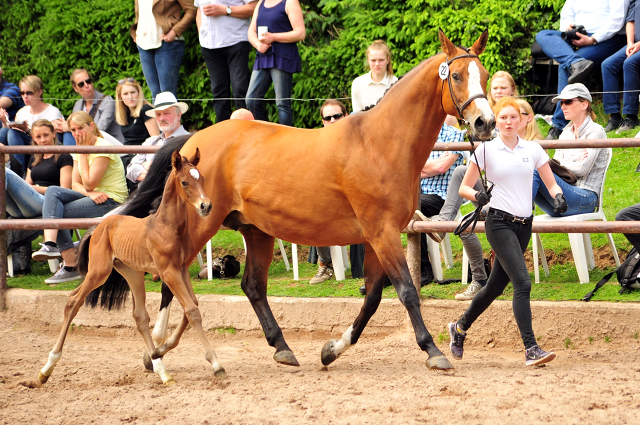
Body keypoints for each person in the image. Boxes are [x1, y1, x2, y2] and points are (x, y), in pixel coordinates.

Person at [448, 96, 566, 367]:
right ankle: (531, 348)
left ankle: (460, 327)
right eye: (503, 118)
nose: (509, 122)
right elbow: (464, 188)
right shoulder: (486, 151)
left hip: (524, 225)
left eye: (514, 117)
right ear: (496, 122)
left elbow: (551, 183)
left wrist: (558, 196)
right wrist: (478, 196)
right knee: (522, 283)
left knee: (494, 287)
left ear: (524, 120)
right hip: (499, 223)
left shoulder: (533, 149)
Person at [32, 112, 128, 284]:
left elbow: (89, 182)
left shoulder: (102, 146)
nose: (77, 134)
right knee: (53, 191)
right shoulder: (78, 148)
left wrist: (83, 154)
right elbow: (75, 184)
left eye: (80, 128)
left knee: (56, 211)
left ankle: (70, 264)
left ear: (91, 126)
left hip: (112, 199)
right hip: (93, 196)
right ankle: (50, 245)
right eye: (73, 130)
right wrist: (89, 193)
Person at [535, 0, 626, 140]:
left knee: (564, 66)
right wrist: (569, 28)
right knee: (543, 35)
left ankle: (559, 125)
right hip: (578, 35)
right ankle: (575, 61)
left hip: (607, 38)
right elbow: (567, 14)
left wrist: (592, 39)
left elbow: (617, 20)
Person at [532, 84, 611, 218]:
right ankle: (519, 212)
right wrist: (574, 160)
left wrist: (561, 163)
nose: (562, 107)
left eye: (568, 102)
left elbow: (582, 169)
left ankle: (518, 212)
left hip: (586, 198)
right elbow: (555, 165)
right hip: (561, 199)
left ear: (584, 104)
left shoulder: (595, 131)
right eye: (562, 103)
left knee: (538, 170)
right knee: (529, 170)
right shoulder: (565, 132)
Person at [245, 0, 305, 126]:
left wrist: (273, 37)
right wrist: (257, 44)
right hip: (263, 55)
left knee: (282, 103)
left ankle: (286, 139)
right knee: (251, 100)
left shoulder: (290, 2)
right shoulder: (261, 2)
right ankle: (264, 133)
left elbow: (300, 33)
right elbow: (251, 31)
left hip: (282, 56)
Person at [196, 0, 257, 122]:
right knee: (218, 92)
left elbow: (254, 6)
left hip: (236, 40)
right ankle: (223, 134)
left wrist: (225, 10)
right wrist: (201, 32)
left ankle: (245, 131)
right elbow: (199, 10)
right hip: (209, 44)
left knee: (240, 89)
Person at [310, 99, 349, 284]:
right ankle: (325, 264)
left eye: (337, 116)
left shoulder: (357, 140)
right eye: (328, 118)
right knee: (315, 210)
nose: (333, 120)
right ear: (323, 122)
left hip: (355, 198)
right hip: (329, 198)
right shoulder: (316, 144)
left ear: (346, 116)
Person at [4, 119, 73, 218]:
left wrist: (35, 189)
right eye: (38, 137)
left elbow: (64, 190)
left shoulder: (64, 157)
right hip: (28, 204)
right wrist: (30, 189)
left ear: (53, 134)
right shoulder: (34, 159)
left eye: (46, 135)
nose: (43, 140)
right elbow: (27, 185)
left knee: (4, 172)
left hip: (48, 201)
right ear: (33, 138)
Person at [130, 0, 196, 99]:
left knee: (167, 94)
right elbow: (140, 12)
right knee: (155, 94)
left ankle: (172, 115)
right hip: (143, 44)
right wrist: (136, 32)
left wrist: (174, 31)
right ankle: (159, 115)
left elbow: (192, 10)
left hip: (167, 44)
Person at [0, 75, 65, 174]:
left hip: (44, 149)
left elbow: (48, 139)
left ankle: (19, 174)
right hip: (26, 149)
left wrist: (27, 129)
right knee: (8, 131)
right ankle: (17, 171)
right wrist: (5, 122)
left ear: (39, 92)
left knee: (13, 133)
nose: (25, 96)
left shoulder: (52, 112)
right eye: (22, 93)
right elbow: (10, 136)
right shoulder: (22, 112)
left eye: (29, 93)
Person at [126, 92, 190, 184]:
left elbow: (183, 174)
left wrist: (149, 166)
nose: (162, 118)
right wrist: (157, 173)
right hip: (145, 196)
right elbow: (130, 170)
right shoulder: (150, 141)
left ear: (179, 115)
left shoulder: (189, 139)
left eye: (166, 113)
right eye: (158, 114)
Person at [53, 69, 125, 144]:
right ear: (75, 88)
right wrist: (58, 126)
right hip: (90, 144)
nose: (86, 85)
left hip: (110, 144)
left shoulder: (107, 101)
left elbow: (99, 130)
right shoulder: (78, 105)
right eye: (81, 84)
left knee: (68, 133)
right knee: (63, 134)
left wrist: (68, 128)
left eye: (88, 81)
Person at [602, 0, 640, 133]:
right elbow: (630, 21)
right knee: (608, 65)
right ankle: (614, 117)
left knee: (630, 63)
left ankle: (631, 116)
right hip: (634, 45)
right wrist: (630, 44)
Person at [114, 77, 160, 175]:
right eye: (125, 94)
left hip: (141, 156)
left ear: (139, 93)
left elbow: (156, 139)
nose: (130, 97)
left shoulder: (146, 109)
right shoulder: (125, 113)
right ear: (120, 97)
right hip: (127, 153)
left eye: (133, 92)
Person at [351, 40, 398, 113]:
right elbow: (357, 116)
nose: (377, 64)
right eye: (373, 60)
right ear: (368, 60)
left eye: (381, 60)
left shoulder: (396, 83)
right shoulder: (357, 83)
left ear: (388, 60)